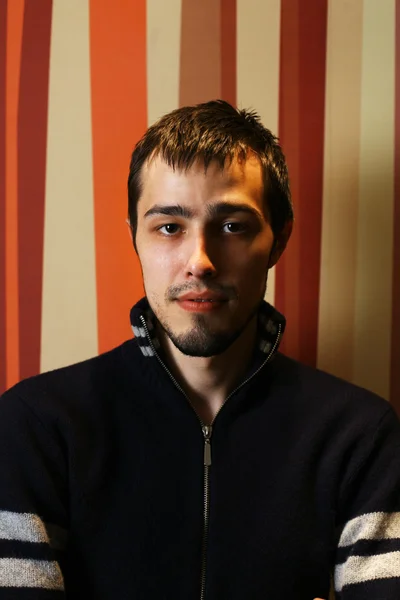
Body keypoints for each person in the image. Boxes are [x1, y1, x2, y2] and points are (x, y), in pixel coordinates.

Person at [0, 100, 399, 600]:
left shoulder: (360, 436)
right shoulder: (36, 425)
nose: (200, 262)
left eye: (233, 226)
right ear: (135, 240)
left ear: (278, 241)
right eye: (169, 227)